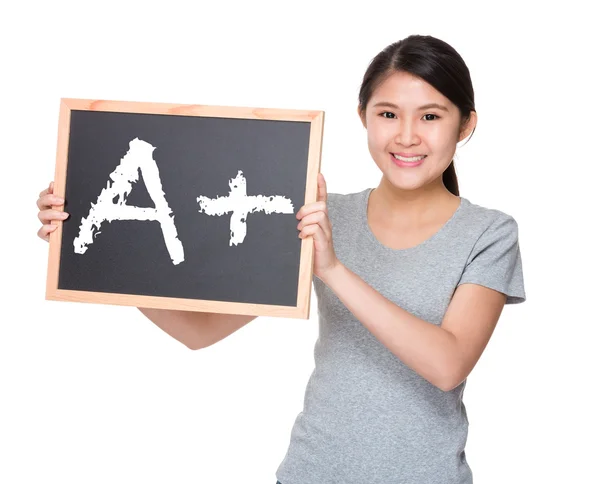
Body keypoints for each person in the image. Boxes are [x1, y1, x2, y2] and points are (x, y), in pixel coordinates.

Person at [36, 34, 526, 484]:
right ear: (363, 117)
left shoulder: (488, 232)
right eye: (388, 113)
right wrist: (97, 249)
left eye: (431, 116)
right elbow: (198, 332)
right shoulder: (322, 216)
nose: (406, 136)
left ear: (466, 124)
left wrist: (332, 268)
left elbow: (448, 363)